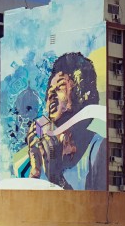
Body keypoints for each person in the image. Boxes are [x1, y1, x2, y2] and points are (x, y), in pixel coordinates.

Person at [25, 52, 108, 190]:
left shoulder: (98, 148)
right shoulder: (44, 150)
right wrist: (34, 173)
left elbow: (89, 209)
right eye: (49, 91)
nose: (50, 95)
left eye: (60, 88)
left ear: (82, 95)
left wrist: (55, 177)